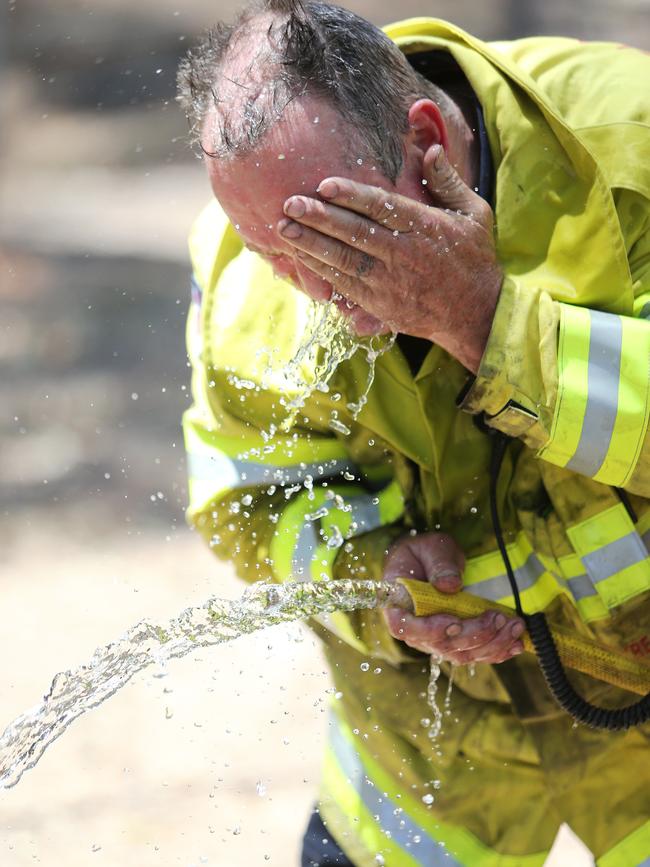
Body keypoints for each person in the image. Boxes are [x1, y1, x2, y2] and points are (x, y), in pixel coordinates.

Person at [176, 1, 650, 864]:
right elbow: (246, 495)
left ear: (427, 139)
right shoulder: (252, 279)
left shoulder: (630, 154)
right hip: (435, 756)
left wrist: (487, 323)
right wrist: (371, 572)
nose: (305, 285)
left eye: (327, 235)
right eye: (269, 248)